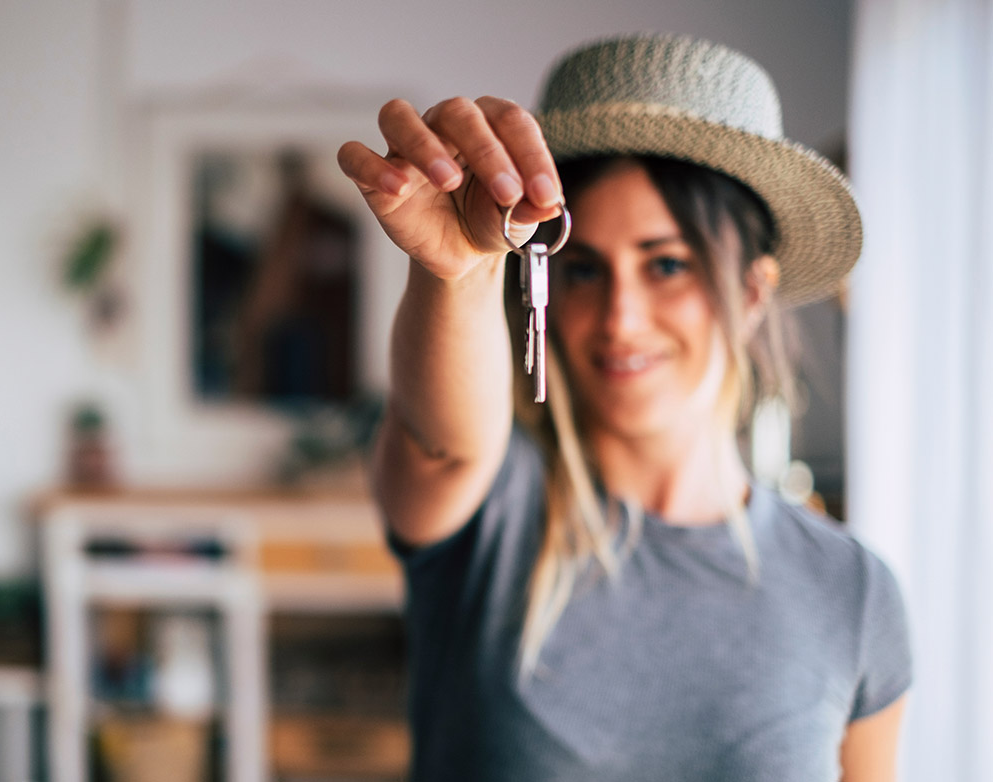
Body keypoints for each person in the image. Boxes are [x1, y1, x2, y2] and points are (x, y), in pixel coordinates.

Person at [337, 33, 911, 782]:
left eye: (666, 264)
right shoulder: (495, 513)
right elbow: (439, 446)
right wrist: (454, 274)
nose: (619, 319)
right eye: (582, 269)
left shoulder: (851, 592)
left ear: (749, 293)